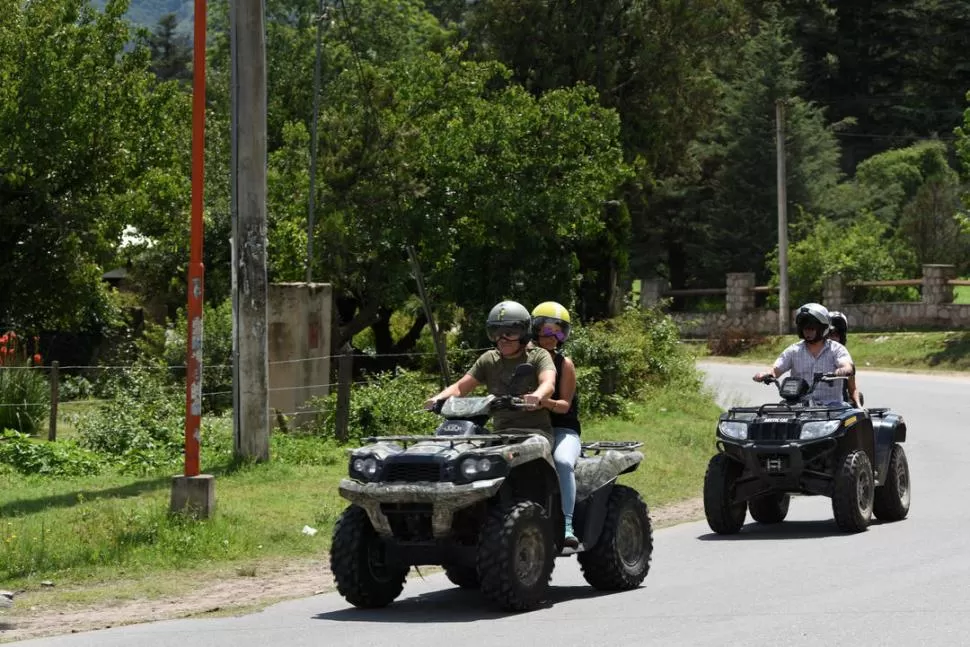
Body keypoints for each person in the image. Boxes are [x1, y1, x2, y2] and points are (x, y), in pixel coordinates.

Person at [425, 300, 557, 438]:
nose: (502, 339)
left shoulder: (539, 356)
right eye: (497, 333)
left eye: (510, 333)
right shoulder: (489, 359)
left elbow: (548, 383)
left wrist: (537, 395)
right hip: (501, 435)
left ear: (524, 333)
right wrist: (436, 399)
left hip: (536, 434)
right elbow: (460, 387)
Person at [531, 301, 581, 549]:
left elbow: (563, 405)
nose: (553, 337)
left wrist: (541, 401)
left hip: (562, 429)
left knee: (562, 462)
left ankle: (568, 524)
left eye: (559, 331)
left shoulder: (565, 364)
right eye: (546, 330)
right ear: (534, 331)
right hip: (529, 430)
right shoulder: (524, 361)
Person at [752, 302, 855, 406]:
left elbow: (847, 365)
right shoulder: (793, 350)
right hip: (800, 408)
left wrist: (844, 370)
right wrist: (766, 374)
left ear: (822, 328)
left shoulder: (836, 349)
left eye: (811, 328)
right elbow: (776, 369)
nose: (807, 332)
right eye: (804, 328)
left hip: (831, 408)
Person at [827, 310, 862, 408]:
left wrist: (859, 407)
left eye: (836, 335)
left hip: (838, 406)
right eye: (829, 335)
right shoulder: (813, 353)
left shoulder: (844, 357)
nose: (832, 339)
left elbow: (852, 388)